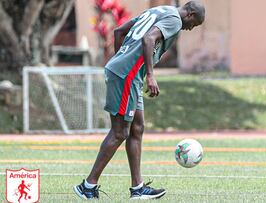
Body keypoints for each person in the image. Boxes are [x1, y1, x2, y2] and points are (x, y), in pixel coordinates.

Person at [73, 0, 205, 200]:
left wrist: (120, 59)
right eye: (194, 24)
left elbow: (119, 31)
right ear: (190, 14)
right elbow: (148, 39)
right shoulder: (175, 20)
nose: (189, 28)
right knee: (120, 133)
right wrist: (150, 75)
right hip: (127, 75)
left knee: (137, 128)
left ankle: (138, 188)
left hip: (129, 75)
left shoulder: (158, 10)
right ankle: (88, 186)